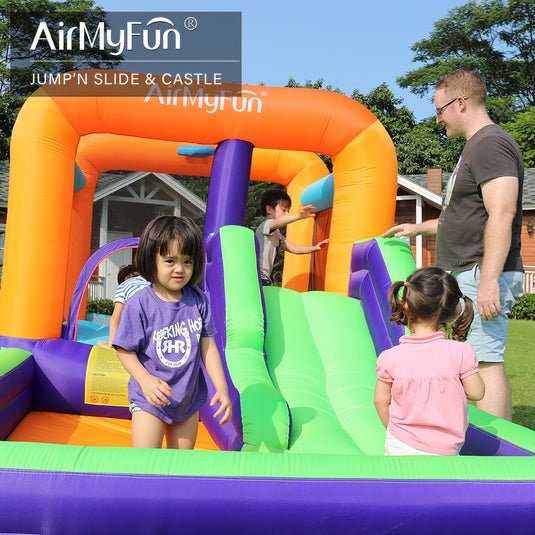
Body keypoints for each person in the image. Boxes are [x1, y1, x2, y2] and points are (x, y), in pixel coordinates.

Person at [382, 70, 524, 421]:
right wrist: (418, 227)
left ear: (460, 103)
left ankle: (497, 458)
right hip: (469, 273)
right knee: (472, 359)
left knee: (485, 361)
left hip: (480, 273)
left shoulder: (491, 144)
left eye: (440, 109)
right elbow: (462, 216)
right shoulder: (474, 148)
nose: (438, 119)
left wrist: (489, 280)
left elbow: (501, 212)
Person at [113, 215, 232, 449]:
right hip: (151, 399)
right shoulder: (140, 303)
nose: (180, 269)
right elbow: (124, 349)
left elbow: (208, 347)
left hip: (187, 400)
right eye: (170, 261)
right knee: (146, 464)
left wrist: (222, 388)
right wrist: (145, 379)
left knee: (180, 466)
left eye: (187, 261)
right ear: (151, 259)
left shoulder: (198, 301)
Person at [374, 267, 485, 456]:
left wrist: (394, 432)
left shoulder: (390, 357)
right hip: (446, 449)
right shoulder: (459, 352)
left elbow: (380, 401)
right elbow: (477, 393)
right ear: (450, 313)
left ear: (405, 305)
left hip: (400, 444)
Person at [255, 189, 329, 286]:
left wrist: (314, 248)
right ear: (269, 209)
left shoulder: (276, 234)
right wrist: (299, 216)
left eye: (288, 211)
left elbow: (294, 248)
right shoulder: (265, 226)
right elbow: (278, 222)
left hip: (264, 279)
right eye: (283, 210)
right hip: (259, 278)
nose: (287, 214)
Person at [97, 264, 150, 348]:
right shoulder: (149, 282)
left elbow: (116, 317)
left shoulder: (124, 285)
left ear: (122, 280)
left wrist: (110, 344)